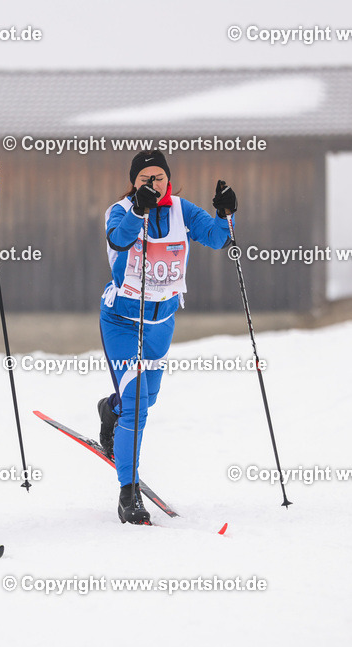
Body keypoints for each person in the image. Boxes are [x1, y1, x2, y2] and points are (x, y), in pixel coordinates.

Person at [97, 150, 236, 524]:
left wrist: (226, 214)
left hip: (162, 321)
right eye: (146, 179)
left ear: (168, 180)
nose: (153, 184)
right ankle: (128, 492)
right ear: (135, 182)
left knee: (148, 398)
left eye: (159, 178)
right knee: (138, 402)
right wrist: (139, 211)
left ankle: (109, 412)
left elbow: (216, 238)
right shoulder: (119, 211)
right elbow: (120, 240)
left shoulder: (181, 210)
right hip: (122, 320)